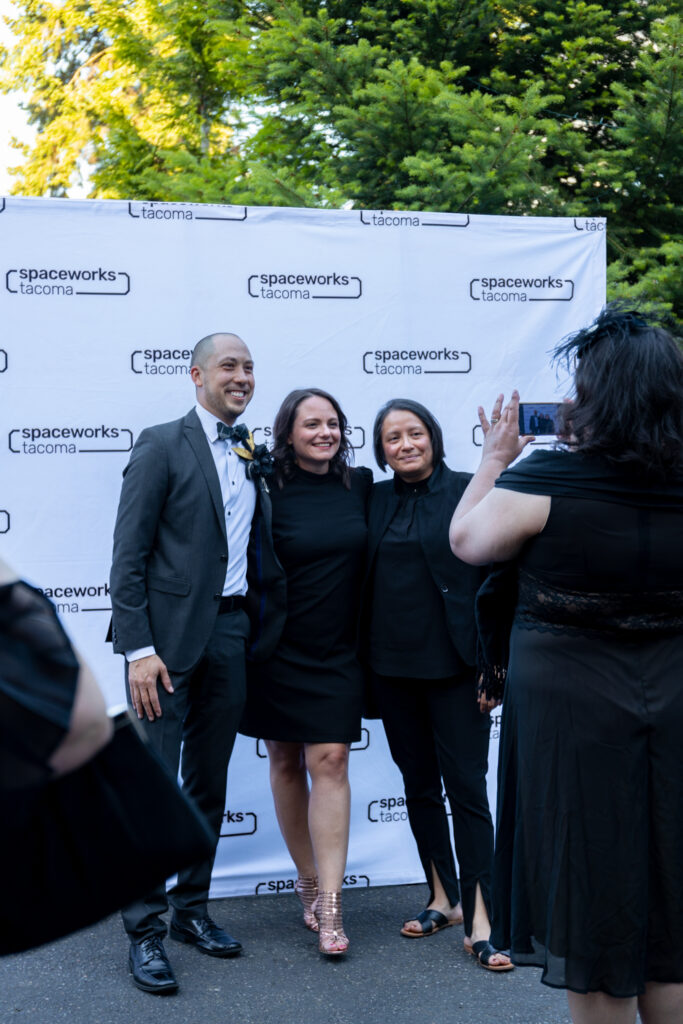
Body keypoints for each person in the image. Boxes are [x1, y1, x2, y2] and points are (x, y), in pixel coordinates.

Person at [449, 305, 683, 1024]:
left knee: (592, 897)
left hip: (572, 718)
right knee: (672, 901)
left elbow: (467, 541)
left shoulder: (548, 478)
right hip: (674, 700)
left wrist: (494, 459)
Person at [110, 332, 283, 994]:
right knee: (154, 787)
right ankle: (144, 931)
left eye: (249, 367)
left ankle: (191, 910)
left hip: (230, 634)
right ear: (196, 374)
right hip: (164, 646)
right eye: (228, 366)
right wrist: (138, 650)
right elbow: (128, 555)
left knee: (208, 783)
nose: (241, 377)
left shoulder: (250, 449)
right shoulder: (161, 443)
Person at [364, 398, 512, 971]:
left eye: (415, 433)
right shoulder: (373, 499)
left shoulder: (469, 490)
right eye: (393, 438)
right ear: (381, 451)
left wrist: (495, 665)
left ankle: (482, 920)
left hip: (458, 670)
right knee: (419, 787)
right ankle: (443, 899)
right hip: (391, 670)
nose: (405, 444)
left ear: (433, 437)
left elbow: (499, 580)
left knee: (467, 791)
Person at [240, 388, 371, 956]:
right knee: (285, 760)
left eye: (333, 423)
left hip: (339, 651)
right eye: (312, 424)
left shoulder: (360, 484)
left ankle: (333, 904)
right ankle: (308, 881)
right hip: (276, 649)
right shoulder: (264, 487)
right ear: (288, 434)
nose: (325, 433)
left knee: (332, 760)